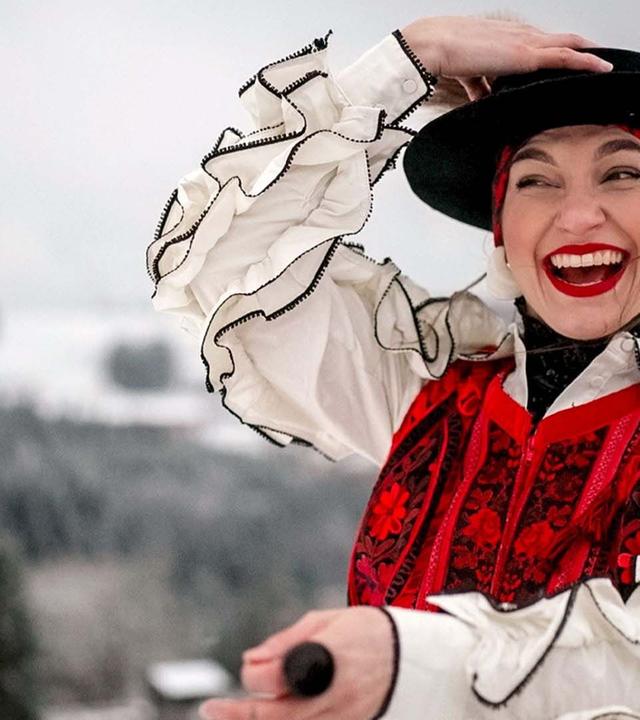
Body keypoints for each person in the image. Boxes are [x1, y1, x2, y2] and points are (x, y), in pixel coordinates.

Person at [146, 15, 640, 720]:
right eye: (537, 181)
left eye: (622, 173)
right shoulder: (433, 391)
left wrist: (413, 668)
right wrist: (408, 64)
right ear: (502, 225)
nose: (578, 216)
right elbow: (218, 272)